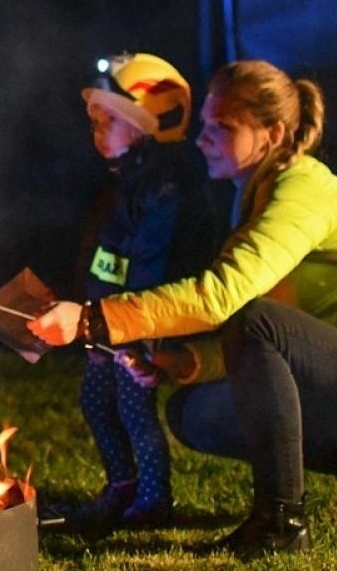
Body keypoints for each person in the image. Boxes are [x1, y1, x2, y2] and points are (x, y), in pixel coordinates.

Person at [27, 60, 337, 556]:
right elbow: (268, 323)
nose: (202, 139)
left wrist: (93, 319)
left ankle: (282, 520)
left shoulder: (300, 191)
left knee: (256, 321)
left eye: (223, 127)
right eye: (206, 125)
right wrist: (190, 362)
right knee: (193, 413)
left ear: (272, 133)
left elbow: (223, 297)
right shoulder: (261, 193)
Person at [44, 52, 217, 533]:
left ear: (144, 127)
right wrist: (89, 311)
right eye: (95, 121)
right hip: (109, 322)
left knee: (134, 409)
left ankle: (153, 497)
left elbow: (151, 266)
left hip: (137, 328)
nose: (98, 133)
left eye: (111, 122)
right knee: (97, 403)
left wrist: (131, 335)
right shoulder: (128, 182)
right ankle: (121, 485)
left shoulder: (165, 190)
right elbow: (110, 258)